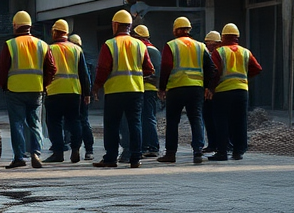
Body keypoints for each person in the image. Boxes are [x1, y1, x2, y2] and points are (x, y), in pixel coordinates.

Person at [92, 9, 155, 168]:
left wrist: (97, 86)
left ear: (115, 25)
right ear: (129, 26)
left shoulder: (110, 44)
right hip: (136, 91)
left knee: (112, 125)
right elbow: (149, 69)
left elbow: (102, 69)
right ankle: (135, 158)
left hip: (115, 92)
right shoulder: (140, 44)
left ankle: (111, 158)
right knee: (135, 124)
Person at [0, 11, 53, 169]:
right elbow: (51, 68)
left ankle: (19, 157)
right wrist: (44, 84)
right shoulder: (42, 45)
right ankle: (36, 153)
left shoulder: (10, 45)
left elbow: (1, 69)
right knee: (35, 123)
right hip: (35, 90)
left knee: (17, 123)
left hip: (15, 91)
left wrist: (4, 86)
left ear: (15, 26)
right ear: (30, 26)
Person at [156, 17, 216, 164]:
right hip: (195, 89)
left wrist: (162, 88)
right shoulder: (200, 46)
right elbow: (211, 68)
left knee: (172, 121)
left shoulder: (171, 45)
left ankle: (170, 154)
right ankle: (197, 152)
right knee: (196, 119)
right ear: (189, 30)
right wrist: (208, 86)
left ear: (176, 30)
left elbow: (166, 67)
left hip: (176, 89)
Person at [208, 23, 263, 161]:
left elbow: (214, 72)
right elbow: (257, 68)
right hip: (241, 91)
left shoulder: (219, 52)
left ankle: (222, 151)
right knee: (240, 121)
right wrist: (244, 76)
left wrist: (211, 88)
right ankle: (239, 151)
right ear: (237, 37)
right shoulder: (245, 52)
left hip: (223, 92)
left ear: (223, 37)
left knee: (222, 122)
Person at [43, 20, 91, 164]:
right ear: (66, 33)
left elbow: (45, 71)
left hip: (54, 91)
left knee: (54, 122)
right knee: (74, 120)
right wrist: (87, 93)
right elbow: (84, 73)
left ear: (54, 32)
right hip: (73, 91)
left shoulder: (48, 49)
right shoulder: (77, 49)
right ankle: (76, 149)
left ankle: (58, 152)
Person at [119, 25, 162, 161]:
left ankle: (151, 147)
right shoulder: (152, 49)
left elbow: (154, 73)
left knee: (147, 118)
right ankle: (148, 146)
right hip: (145, 89)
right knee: (146, 118)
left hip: (146, 89)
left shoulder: (147, 49)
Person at [69, 33, 96, 159]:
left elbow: (85, 76)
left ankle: (79, 149)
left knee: (77, 121)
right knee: (83, 121)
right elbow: (87, 77)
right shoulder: (85, 57)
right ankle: (88, 150)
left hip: (75, 93)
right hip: (80, 93)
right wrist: (88, 93)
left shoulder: (71, 54)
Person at [202, 30, 224, 155]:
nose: (206, 46)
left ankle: (215, 144)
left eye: (208, 43)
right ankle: (214, 144)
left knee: (213, 118)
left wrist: (209, 88)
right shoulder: (212, 54)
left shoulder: (217, 54)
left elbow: (214, 73)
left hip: (215, 91)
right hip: (215, 90)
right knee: (210, 118)